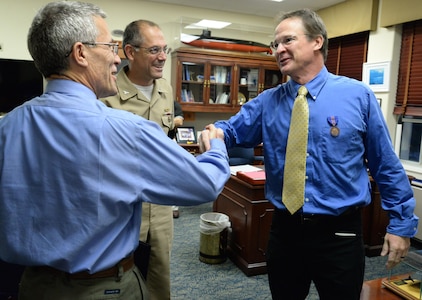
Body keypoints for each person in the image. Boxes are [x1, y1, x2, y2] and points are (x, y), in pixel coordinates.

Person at [0, 2, 230, 300]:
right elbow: (204, 185)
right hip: (104, 288)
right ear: (80, 53)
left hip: (32, 287)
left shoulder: (8, 128)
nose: (116, 56)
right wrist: (217, 147)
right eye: (109, 46)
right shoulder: (124, 129)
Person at [209, 8, 418, 300]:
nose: (278, 50)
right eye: (275, 44)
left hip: (339, 234)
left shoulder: (357, 96)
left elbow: (385, 164)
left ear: (317, 41)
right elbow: (229, 131)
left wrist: (401, 224)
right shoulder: (268, 102)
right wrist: (215, 133)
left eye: (287, 40)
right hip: (284, 230)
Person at [101, 19, 177, 300]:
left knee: (159, 275)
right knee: (116, 276)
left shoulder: (165, 89)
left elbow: (166, 139)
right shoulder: (105, 94)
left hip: (159, 204)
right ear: (130, 53)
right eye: (154, 49)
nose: (162, 57)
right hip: (121, 204)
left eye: (164, 50)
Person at [169, 101, 184, 218]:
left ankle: (174, 208)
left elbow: (179, 121)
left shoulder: (173, 104)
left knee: (173, 175)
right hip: (150, 140)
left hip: (169, 140)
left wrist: (158, 122)